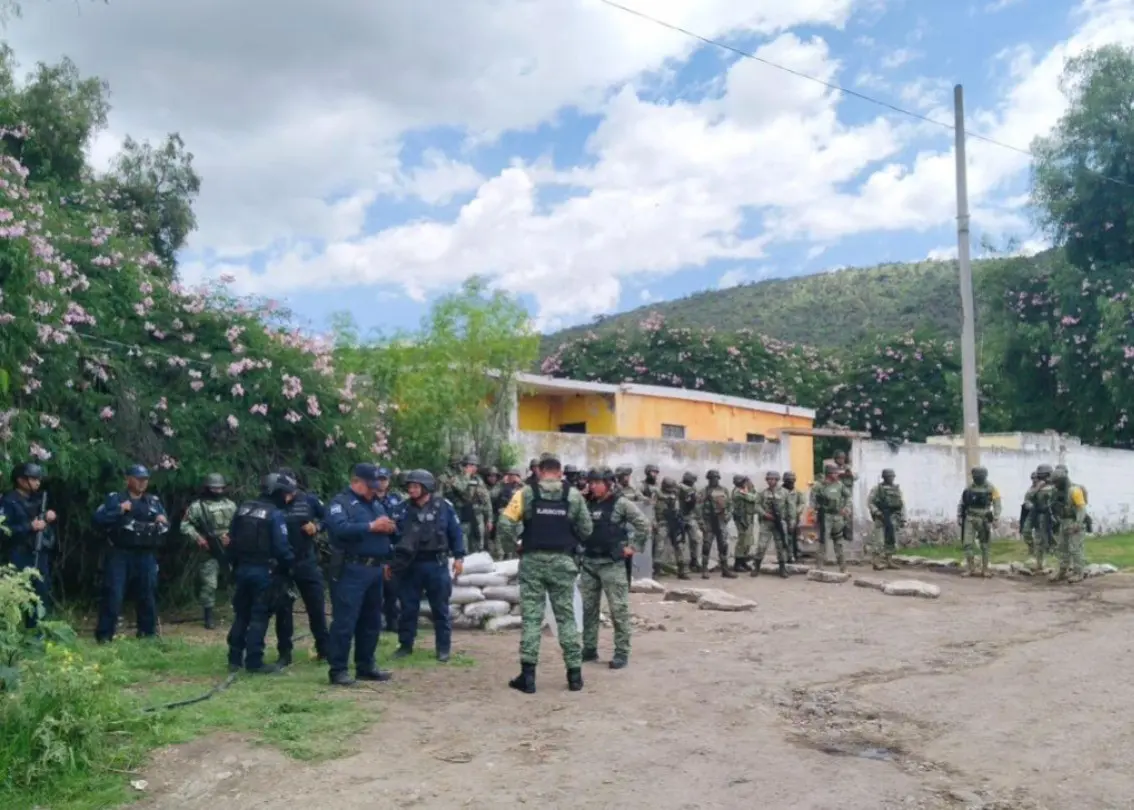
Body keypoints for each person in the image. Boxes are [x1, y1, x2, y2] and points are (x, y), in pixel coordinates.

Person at [496, 453, 593, 694]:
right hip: (563, 563)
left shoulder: (525, 493)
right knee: (566, 618)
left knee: (531, 618)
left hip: (533, 562)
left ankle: (528, 677)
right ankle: (575, 675)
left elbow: (505, 524)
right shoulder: (573, 495)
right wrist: (572, 541)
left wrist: (514, 546)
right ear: (560, 472)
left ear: (539, 471)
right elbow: (587, 529)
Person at [325, 463, 398, 687]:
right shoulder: (341, 503)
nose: (374, 490)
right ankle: (338, 670)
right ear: (356, 482)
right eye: (370, 486)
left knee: (371, 621)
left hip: (374, 569)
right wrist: (369, 526)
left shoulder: (375, 504)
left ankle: (366, 665)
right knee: (345, 621)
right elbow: (339, 529)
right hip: (351, 569)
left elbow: (383, 531)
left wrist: (389, 529)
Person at [389, 469, 465, 662]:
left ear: (427, 487)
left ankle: (443, 648)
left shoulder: (444, 507)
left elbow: (455, 532)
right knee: (408, 608)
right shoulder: (401, 509)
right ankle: (405, 645)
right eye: (410, 486)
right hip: (410, 565)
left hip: (436, 564)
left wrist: (459, 557)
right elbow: (391, 536)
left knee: (440, 608)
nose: (411, 490)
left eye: (415, 486)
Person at [226, 473, 296, 674]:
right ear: (277, 492)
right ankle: (255, 662)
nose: (288, 498)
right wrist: (291, 566)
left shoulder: (243, 508)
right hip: (264, 571)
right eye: (286, 494)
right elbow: (282, 548)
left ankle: (234, 658)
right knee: (259, 616)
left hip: (242, 569)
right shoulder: (275, 514)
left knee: (241, 614)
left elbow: (231, 540)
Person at [580, 468, 648, 669]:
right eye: (590, 482)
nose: (592, 485)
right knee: (588, 609)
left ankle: (621, 652)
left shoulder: (621, 503)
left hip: (612, 565)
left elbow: (644, 524)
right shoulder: (587, 503)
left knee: (618, 610)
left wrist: (632, 547)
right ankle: (589, 648)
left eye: (597, 482)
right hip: (590, 563)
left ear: (608, 483)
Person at [92, 464, 169, 643]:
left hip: (145, 553)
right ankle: (104, 635)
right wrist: (119, 510)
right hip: (120, 553)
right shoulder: (116, 499)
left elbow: (165, 526)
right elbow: (98, 520)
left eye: (145, 480)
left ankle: (147, 634)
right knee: (114, 593)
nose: (142, 483)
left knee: (147, 593)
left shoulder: (153, 501)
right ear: (128, 479)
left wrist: (161, 520)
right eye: (138, 479)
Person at [273, 467, 330, 664]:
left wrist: (317, 526)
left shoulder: (310, 500)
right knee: (283, 609)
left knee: (316, 606)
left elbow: (329, 517)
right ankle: (284, 653)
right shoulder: (273, 501)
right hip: (281, 563)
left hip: (306, 560)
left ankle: (324, 648)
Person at [1, 462, 57, 627]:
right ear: (21, 480)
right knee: (17, 596)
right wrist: (29, 527)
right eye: (33, 478)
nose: (37, 482)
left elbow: (45, 526)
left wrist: (48, 517)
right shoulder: (8, 501)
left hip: (38, 553)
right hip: (17, 554)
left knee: (40, 594)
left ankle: (37, 633)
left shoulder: (38, 500)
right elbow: (4, 531)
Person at [180, 473, 236, 630]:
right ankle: (208, 616)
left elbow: (239, 524)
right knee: (209, 584)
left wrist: (232, 537)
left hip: (229, 548)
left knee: (236, 580)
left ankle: (241, 611)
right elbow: (185, 526)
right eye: (214, 488)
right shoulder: (197, 506)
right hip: (209, 550)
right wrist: (198, 538)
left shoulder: (230, 505)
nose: (217, 491)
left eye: (220, 488)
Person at [371, 468, 406, 646]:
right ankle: (376, 622)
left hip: (393, 547)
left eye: (384, 479)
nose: (381, 482)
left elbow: (403, 522)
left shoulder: (396, 500)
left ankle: (393, 621)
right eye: (379, 479)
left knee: (393, 588)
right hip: (375, 546)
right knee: (375, 589)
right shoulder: (368, 499)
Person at [958, 467, 1001, 578]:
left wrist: (996, 518)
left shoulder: (991, 488)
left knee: (985, 545)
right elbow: (962, 503)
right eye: (975, 477)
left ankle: (985, 569)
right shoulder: (969, 488)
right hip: (970, 518)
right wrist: (959, 516)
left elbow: (997, 503)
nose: (977, 478)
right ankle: (970, 569)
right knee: (967, 544)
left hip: (984, 519)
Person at [447, 454, 493, 555]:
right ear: (466, 466)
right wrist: (466, 475)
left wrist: (489, 519)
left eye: (476, 466)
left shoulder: (478, 480)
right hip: (463, 516)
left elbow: (486, 499)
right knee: (463, 545)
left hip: (477, 517)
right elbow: (461, 488)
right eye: (473, 465)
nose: (475, 468)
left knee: (478, 544)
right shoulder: (456, 478)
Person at [1049, 468, 1087, 584]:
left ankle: (1078, 572)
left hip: (1074, 522)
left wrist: (1078, 524)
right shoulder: (1057, 492)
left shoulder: (1074, 491)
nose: (1055, 485)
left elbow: (1081, 508)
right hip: (1063, 522)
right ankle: (1062, 570)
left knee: (1075, 548)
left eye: (1057, 482)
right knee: (1062, 547)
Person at [811, 462, 850, 572]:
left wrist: (846, 508)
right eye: (835, 473)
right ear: (829, 474)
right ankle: (819, 566)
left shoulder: (840, 485)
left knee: (839, 542)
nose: (837, 475)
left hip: (837, 516)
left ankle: (843, 568)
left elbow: (848, 497)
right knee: (823, 542)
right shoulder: (819, 486)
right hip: (825, 516)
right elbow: (812, 501)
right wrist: (814, 513)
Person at [751, 471, 789, 578]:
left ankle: (782, 568)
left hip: (779, 522)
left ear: (777, 480)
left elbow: (789, 507)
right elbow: (756, 506)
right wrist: (765, 514)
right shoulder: (762, 492)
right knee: (761, 545)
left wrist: (789, 521)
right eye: (769, 479)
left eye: (773, 479)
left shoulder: (785, 492)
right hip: (766, 522)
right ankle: (756, 567)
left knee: (781, 545)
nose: (770, 481)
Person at [699, 470, 736, 579]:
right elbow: (698, 508)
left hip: (721, 520)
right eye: (711, 478)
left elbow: (730, 505)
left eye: (716, 478)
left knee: (723, 545)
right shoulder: (704, 491)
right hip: (709, 521)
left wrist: (728, 516)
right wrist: (701, 522)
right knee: (706, 546)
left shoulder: (724, 490)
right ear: (708, 479)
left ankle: (725, 569)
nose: (714, 480)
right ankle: (705, 570)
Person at [867, 469, 905, 570]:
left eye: (892, 476)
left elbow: (901, 504)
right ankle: (876, 562)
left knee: (891, 539)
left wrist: (903, 517)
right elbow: (870, 502)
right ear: (884, 477)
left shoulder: (896, 489)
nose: (891, 478)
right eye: (889, 476)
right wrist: (877, 512)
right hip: (881, 516)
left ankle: (889, 561)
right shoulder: (877, 489)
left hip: (893, 517)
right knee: (879, 540)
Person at [653, 477, 689, 579]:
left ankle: (682, 571)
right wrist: (654, 522)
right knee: (659, 547)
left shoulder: (675, 494)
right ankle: (656, 571)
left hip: (674, 523)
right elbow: (652, 509)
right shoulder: (657, 495)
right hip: (662, 523)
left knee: (679, 546)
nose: (671, 490)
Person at [731, 475, 756, 572]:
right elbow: (753, 498)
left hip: (748, 518)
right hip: (741, 519)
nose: (747, 483)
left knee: (748, 541)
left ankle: (743, 562)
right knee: (742, 541)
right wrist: (749, 488)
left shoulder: (745, 490)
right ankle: (737, 564)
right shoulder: (738, 492)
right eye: (745, 481)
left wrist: (750, 487)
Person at [781, 471, 806, 563]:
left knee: (794, 538)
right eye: (788, 480)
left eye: (792, 480)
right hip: (782, 519)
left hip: (794, 519)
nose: (790, 482)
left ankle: (794, 555)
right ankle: (785, 557)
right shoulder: (780, 491)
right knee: (783, 538)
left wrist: (797, 511)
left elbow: (802, 503)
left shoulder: (798, 492)